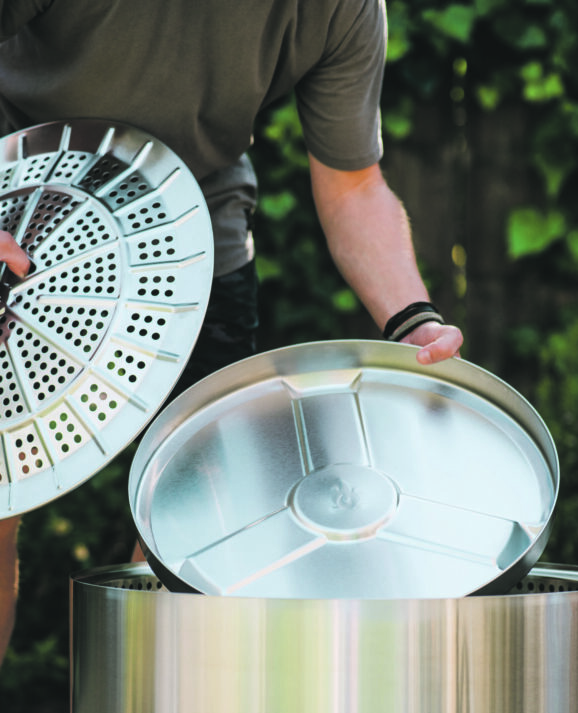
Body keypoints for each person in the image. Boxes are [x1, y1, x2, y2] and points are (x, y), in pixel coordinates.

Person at [0, 0, 464, 666]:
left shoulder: (343, 9)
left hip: (189, 232)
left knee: (186, 526)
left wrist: (413, 319)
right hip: (19, 198)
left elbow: (354, 187)